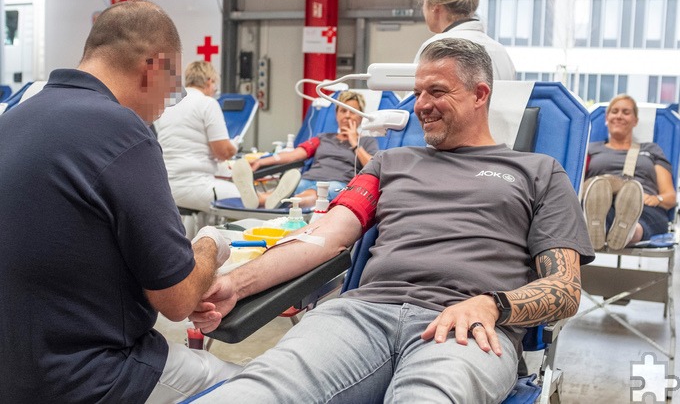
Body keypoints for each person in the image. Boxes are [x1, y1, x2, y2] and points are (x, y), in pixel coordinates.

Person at [188, 38, 595, 403]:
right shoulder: (389, 162)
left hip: (466, 329)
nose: (420, 104)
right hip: (360, 315)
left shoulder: (540, 172)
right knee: (255, 391)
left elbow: (564, 288)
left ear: (479, 94)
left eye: (437, 91)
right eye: (418, 92)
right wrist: (234, 286)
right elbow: (325, 238)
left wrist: (492, 305)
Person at [0, 0, 241, 403]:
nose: (166, 105)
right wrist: (211, 245)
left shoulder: (14, 119)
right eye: (171, 87)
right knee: (265, 386)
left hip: (14, 372)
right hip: (90, 376)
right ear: (153, 68)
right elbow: (178, 299)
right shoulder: (121, 130)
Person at [231, 90, 379, 209]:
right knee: (298, 186)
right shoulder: (323, 137)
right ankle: (260, 199)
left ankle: (283, 201)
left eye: (352, 111)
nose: (347, 115)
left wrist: (354, 142)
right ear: (336, 115)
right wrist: (261, 162)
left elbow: (372, 167)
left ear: (361, 116)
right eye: (343, 111)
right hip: (308, 179)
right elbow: (294, 155)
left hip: (338, 184)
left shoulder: (366, 141)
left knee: (317, 193)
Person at [582, 94, 676, 250]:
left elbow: (670, 196)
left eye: (626, 112)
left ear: (635, 121)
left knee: (640, 218)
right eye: (614, 111)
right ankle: (601, 226)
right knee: (598, 208)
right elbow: (575, 184)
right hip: (598, 201)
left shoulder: (651, 150)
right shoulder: (590, 149)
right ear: (607, 118)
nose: (619, 116)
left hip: (642, 206)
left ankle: (628, 231)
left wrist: (656, 199)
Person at [155, 60, 240, 213]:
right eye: (215, 86)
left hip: (165, 187)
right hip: (194, 185)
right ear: (209, 81)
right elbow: (223, 152)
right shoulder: (207, 103)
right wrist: (234, 146)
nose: (214, 90)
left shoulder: (168, 104)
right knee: (251, 200)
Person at [415, 0, 516, 81]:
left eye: (424, 2)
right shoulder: (500, 52)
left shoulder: (434, 49)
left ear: (435, 7)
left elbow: (418, 98)